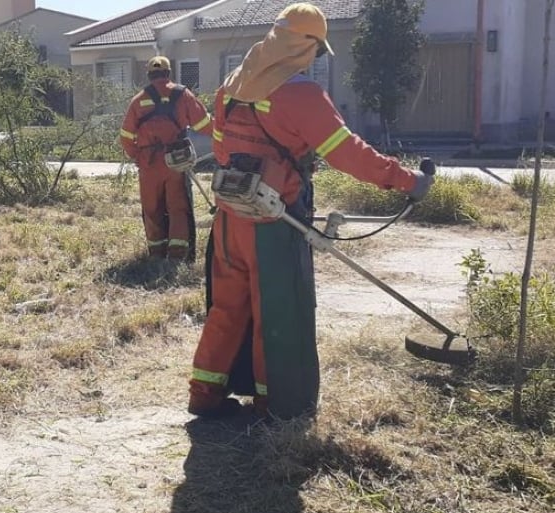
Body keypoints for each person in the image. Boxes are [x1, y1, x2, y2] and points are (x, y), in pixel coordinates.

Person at [189, 3, 435, 420]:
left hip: (230, 217)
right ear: (304, 47)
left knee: (227, 308)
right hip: (274, 223)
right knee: (280, 312)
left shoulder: (230, 86)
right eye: (315, 50)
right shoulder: (301, 93)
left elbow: (219, 150)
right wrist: (409, 181)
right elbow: (349, 154)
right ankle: (280, 404)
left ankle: (204, 394)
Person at [119, 56, 214, 262]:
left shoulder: (138, 100)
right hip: (176, 161)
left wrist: (138, 156)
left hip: (149, 162)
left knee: (152, 208)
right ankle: (178, 256)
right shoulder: (183, 95)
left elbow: (126, 137)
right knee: (178, 207)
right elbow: (204, 126)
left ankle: (156, 254)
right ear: (168, 73)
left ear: (149, 75)